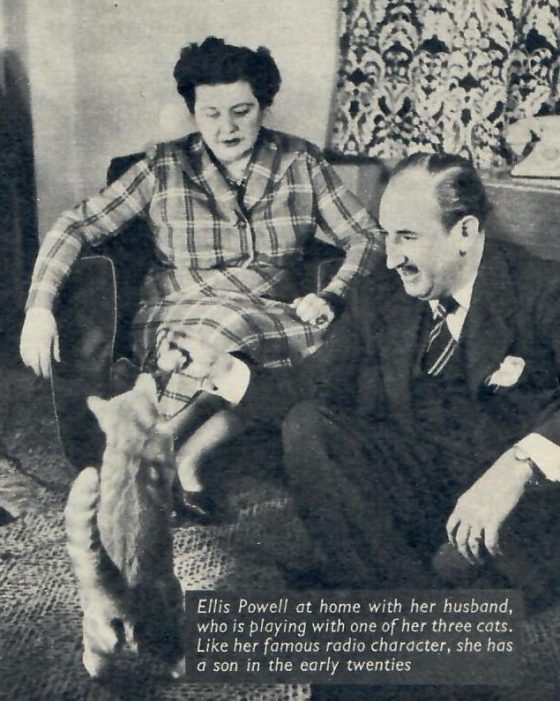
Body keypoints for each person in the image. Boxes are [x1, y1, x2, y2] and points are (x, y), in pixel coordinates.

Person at [19, 37, 382, 518]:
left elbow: (368, 236)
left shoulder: (301, 162)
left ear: (263, 107)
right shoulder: (163, 166)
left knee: (305, 352)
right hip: (180, 311)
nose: (226, 127)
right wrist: (39, 307)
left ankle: (175, 454)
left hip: (272, 312)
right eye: (210, 113)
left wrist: (333, 295)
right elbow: (76, 224)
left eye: (241, 111)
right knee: (225, 332)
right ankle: (170, 452)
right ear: (193, 111)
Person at [180, 152, 560, 606]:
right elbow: (312, 387)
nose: (392, 257)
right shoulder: (381, 291)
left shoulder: (542, 289)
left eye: (408, 237)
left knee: (490, 574)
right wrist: (222, 369)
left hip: (515, 499)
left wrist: (517, 468)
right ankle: (405, 597)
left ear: (465, 231)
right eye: (386, 234)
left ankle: (393, 591)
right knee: (309, 423)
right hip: (422, 483)